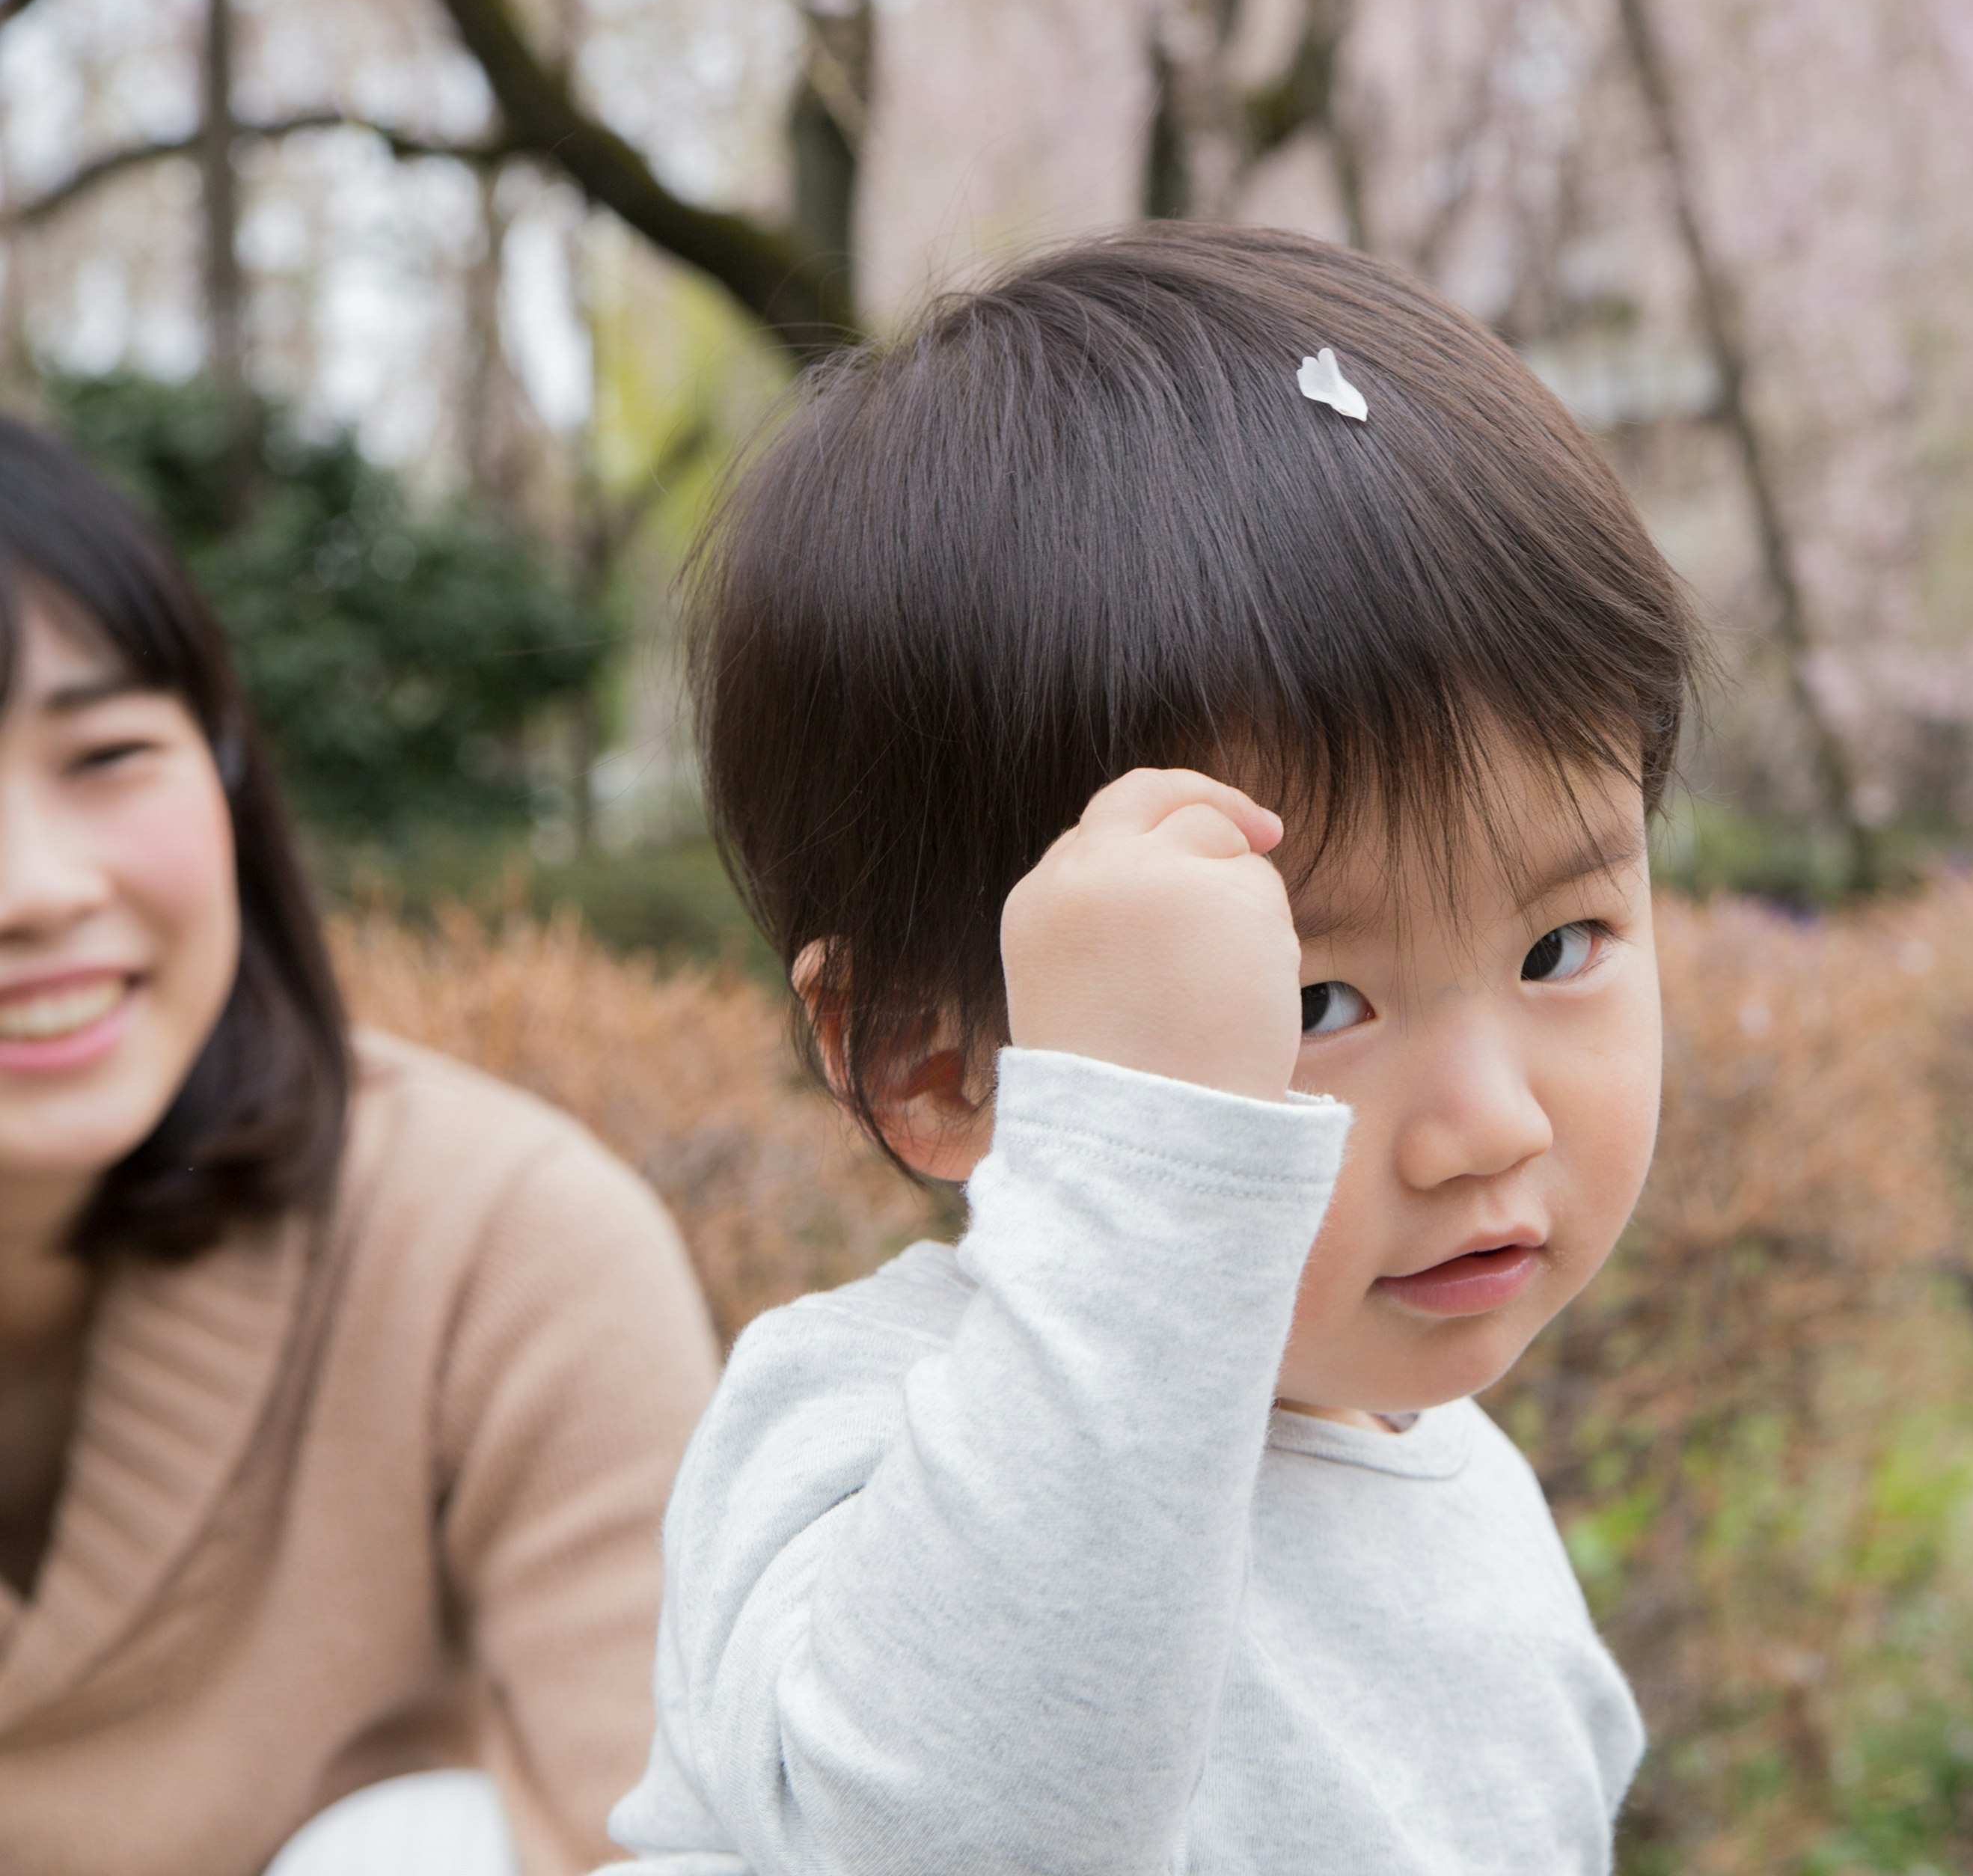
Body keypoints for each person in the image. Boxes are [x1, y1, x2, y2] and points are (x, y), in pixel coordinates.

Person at [605, 223, 1698, 1874]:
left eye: (1559, 948)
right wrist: (1154, 1159)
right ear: (933, 1058)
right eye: (1308, 1003)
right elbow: (968, 1838)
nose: (1485, 1124)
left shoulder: (1464, 1498)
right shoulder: (852, 1436)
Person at [0, 415, 721, 1876]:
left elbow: (666, 1828)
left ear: (230, 778)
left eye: (109, 752)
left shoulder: (500, 1243)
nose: (35, 886)